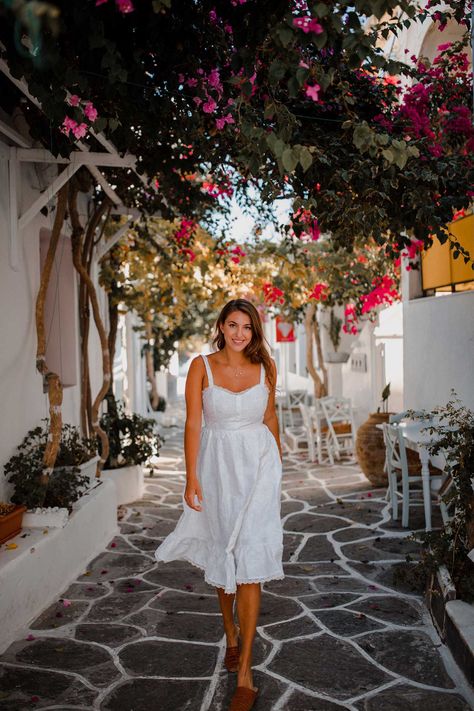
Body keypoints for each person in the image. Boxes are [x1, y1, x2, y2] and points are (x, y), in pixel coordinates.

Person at [155, 298, 283, 711]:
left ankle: (245, 673)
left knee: (250, 564)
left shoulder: (266, 366)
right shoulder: (201, 367)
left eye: (247, 326)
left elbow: (270, 419)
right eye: (233, 325)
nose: (240, 333)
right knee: (221, 549)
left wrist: (278, 466)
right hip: (217, 468)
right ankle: (230, 631)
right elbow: (194, 423)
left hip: (259, 468)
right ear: (221, 327)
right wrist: (190, 476)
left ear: (254, 329)